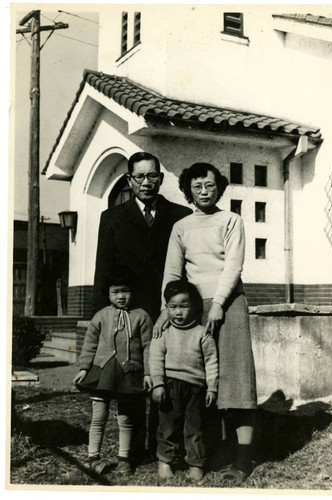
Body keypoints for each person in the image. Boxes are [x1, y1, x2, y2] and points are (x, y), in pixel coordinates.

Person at [154, 163, 257, 484]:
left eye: (209, 186)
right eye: (197, 186)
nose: (203, 191)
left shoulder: (231, 220)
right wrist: (163, 309)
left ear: (219, 188)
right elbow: (173, 273)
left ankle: (242, 459)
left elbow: (233, 265)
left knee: (236, 380)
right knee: (198, 383)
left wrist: (219, 305)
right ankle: (207, 451)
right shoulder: (182, 227)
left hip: (230, 305)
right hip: (194, 309)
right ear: (188, 190)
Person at [93, 151, 192, 458]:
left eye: (152, 176)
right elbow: (103, 269)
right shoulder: (112, 217)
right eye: (140, 177)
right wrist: (101, 317)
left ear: (160, 179)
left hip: (168, 310)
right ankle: (133, 449)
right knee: (132, 379)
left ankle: (164, 445)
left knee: (167, 379)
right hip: (129, 314)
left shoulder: (180, 215)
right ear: (129, 180)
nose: (146, 183)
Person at [74, 275, 153, 477]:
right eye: (115, 292)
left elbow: (148, 347)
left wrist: (149, 373)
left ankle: (124, 459)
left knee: (125, 420)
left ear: (133, 292)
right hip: (102, 372)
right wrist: (84, 368)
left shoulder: (141, 316)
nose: (120, 296)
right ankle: (93, 457)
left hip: (129, 374)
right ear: (108, 293)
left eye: (125, 291)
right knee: (98, 417)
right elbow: (90, 344)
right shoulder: (101, 316)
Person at [150, 280, 218, 481]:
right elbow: (155, 358)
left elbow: (212, 362)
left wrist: (212, 388)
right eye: (173, 307)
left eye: (183, 306)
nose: (178, 312)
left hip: (196, 388)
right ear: (167, 308)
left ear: (194, 306)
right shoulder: (163, 332)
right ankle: (165, 462)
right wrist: (158, 384)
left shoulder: (202, 333)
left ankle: (195, 464)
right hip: (169, 386)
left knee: (194, 428)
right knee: (168, 427)